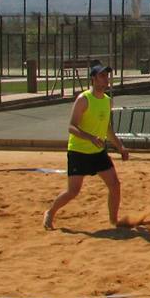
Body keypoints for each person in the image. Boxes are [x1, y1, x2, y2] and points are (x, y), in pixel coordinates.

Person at [44, 63, 130, 230]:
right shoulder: (84, 99)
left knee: (115, 185)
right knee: (73, 191)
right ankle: (50, 212)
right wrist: (90, 137)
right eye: (102, 76)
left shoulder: (107, 101)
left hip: (97, 152)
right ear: (93, 79)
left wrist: (121, 147)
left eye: (107, 76)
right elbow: (71, 126)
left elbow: (107, 128)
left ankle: (114, 221)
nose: (105, 79)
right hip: (79, 151)